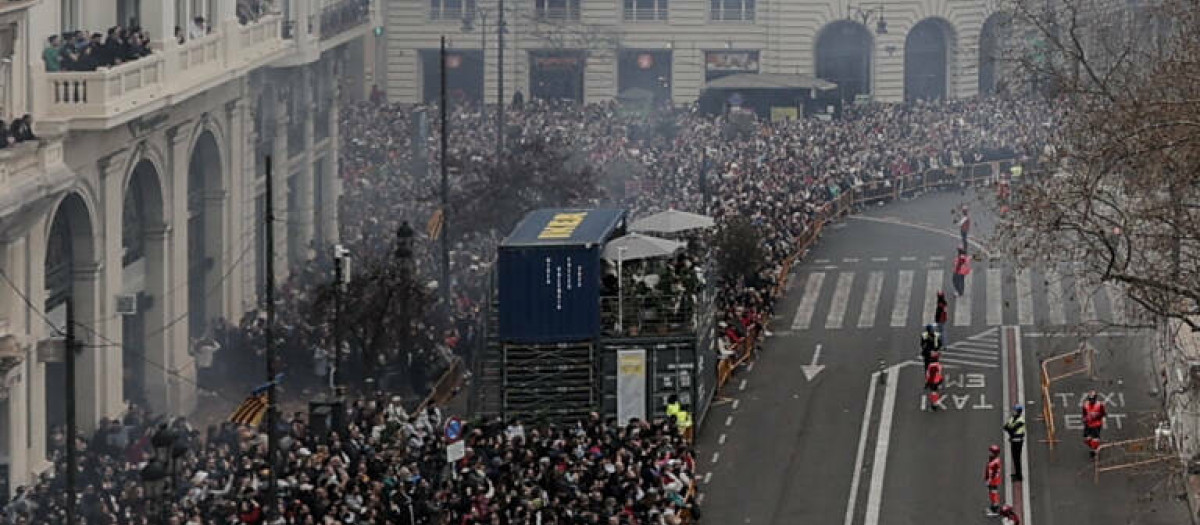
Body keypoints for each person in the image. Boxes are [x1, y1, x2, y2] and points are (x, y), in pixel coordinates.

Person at [1004, 404, 1026, 481]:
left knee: (1017, 458)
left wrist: (1010, 429)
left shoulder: (1021, 421)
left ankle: (1019, 476)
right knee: (1014, 458)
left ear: (1018, 411)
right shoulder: (1013, 418)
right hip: (1013, 441)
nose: (1013, 411)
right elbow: (1005, 427)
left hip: (1018, 441)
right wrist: (1010, 429)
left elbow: (1011, 429)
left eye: (1014, 410)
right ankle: (1017, 474)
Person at [1082, 390, 1107, 457]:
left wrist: (1099, 418)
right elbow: (1084, 414)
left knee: (1095, 440)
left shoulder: (1100, 405)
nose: (1091, 401)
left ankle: (1094, 450)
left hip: (1096, 424)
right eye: (1090, 399)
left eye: (1093, 399)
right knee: (1087, 439)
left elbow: (1103, 414)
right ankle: (1094, 447)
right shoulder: (1085, 405)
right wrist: (1085, 419)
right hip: (1088, 424)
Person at [984, 444, 1003, 516]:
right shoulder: (994, 459)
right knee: (992, 493)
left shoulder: (995, 462)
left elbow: (993, 473)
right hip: (993, 480)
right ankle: (993, 507)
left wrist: (989, 480)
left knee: (993, 494)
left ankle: (995, 509)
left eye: (991, 451)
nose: (989, 453)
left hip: (993, 481)